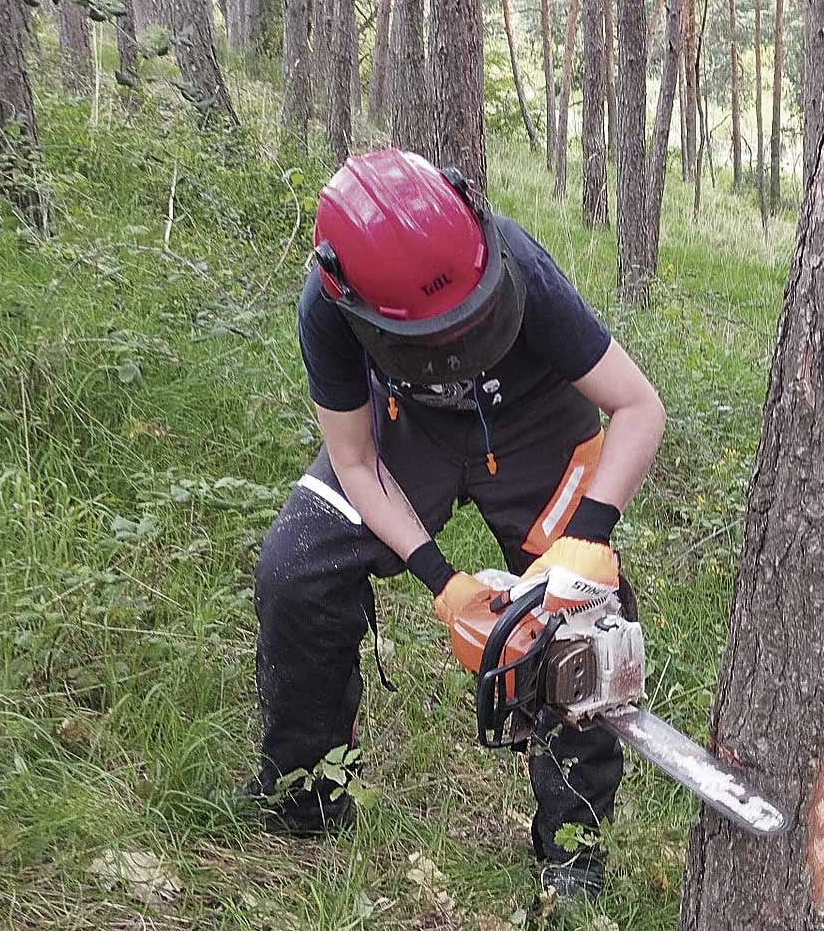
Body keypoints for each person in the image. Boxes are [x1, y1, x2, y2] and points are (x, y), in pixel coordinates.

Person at [243, 148, 665, 900]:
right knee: (296, 567)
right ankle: (304, 793)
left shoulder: (518, 262)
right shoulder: (328, 306)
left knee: (581, 620)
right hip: (408, 433)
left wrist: (588, 538)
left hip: (537, 428)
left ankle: (571, 849)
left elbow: (638, 406)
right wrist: (442, 583)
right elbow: (356, 461)